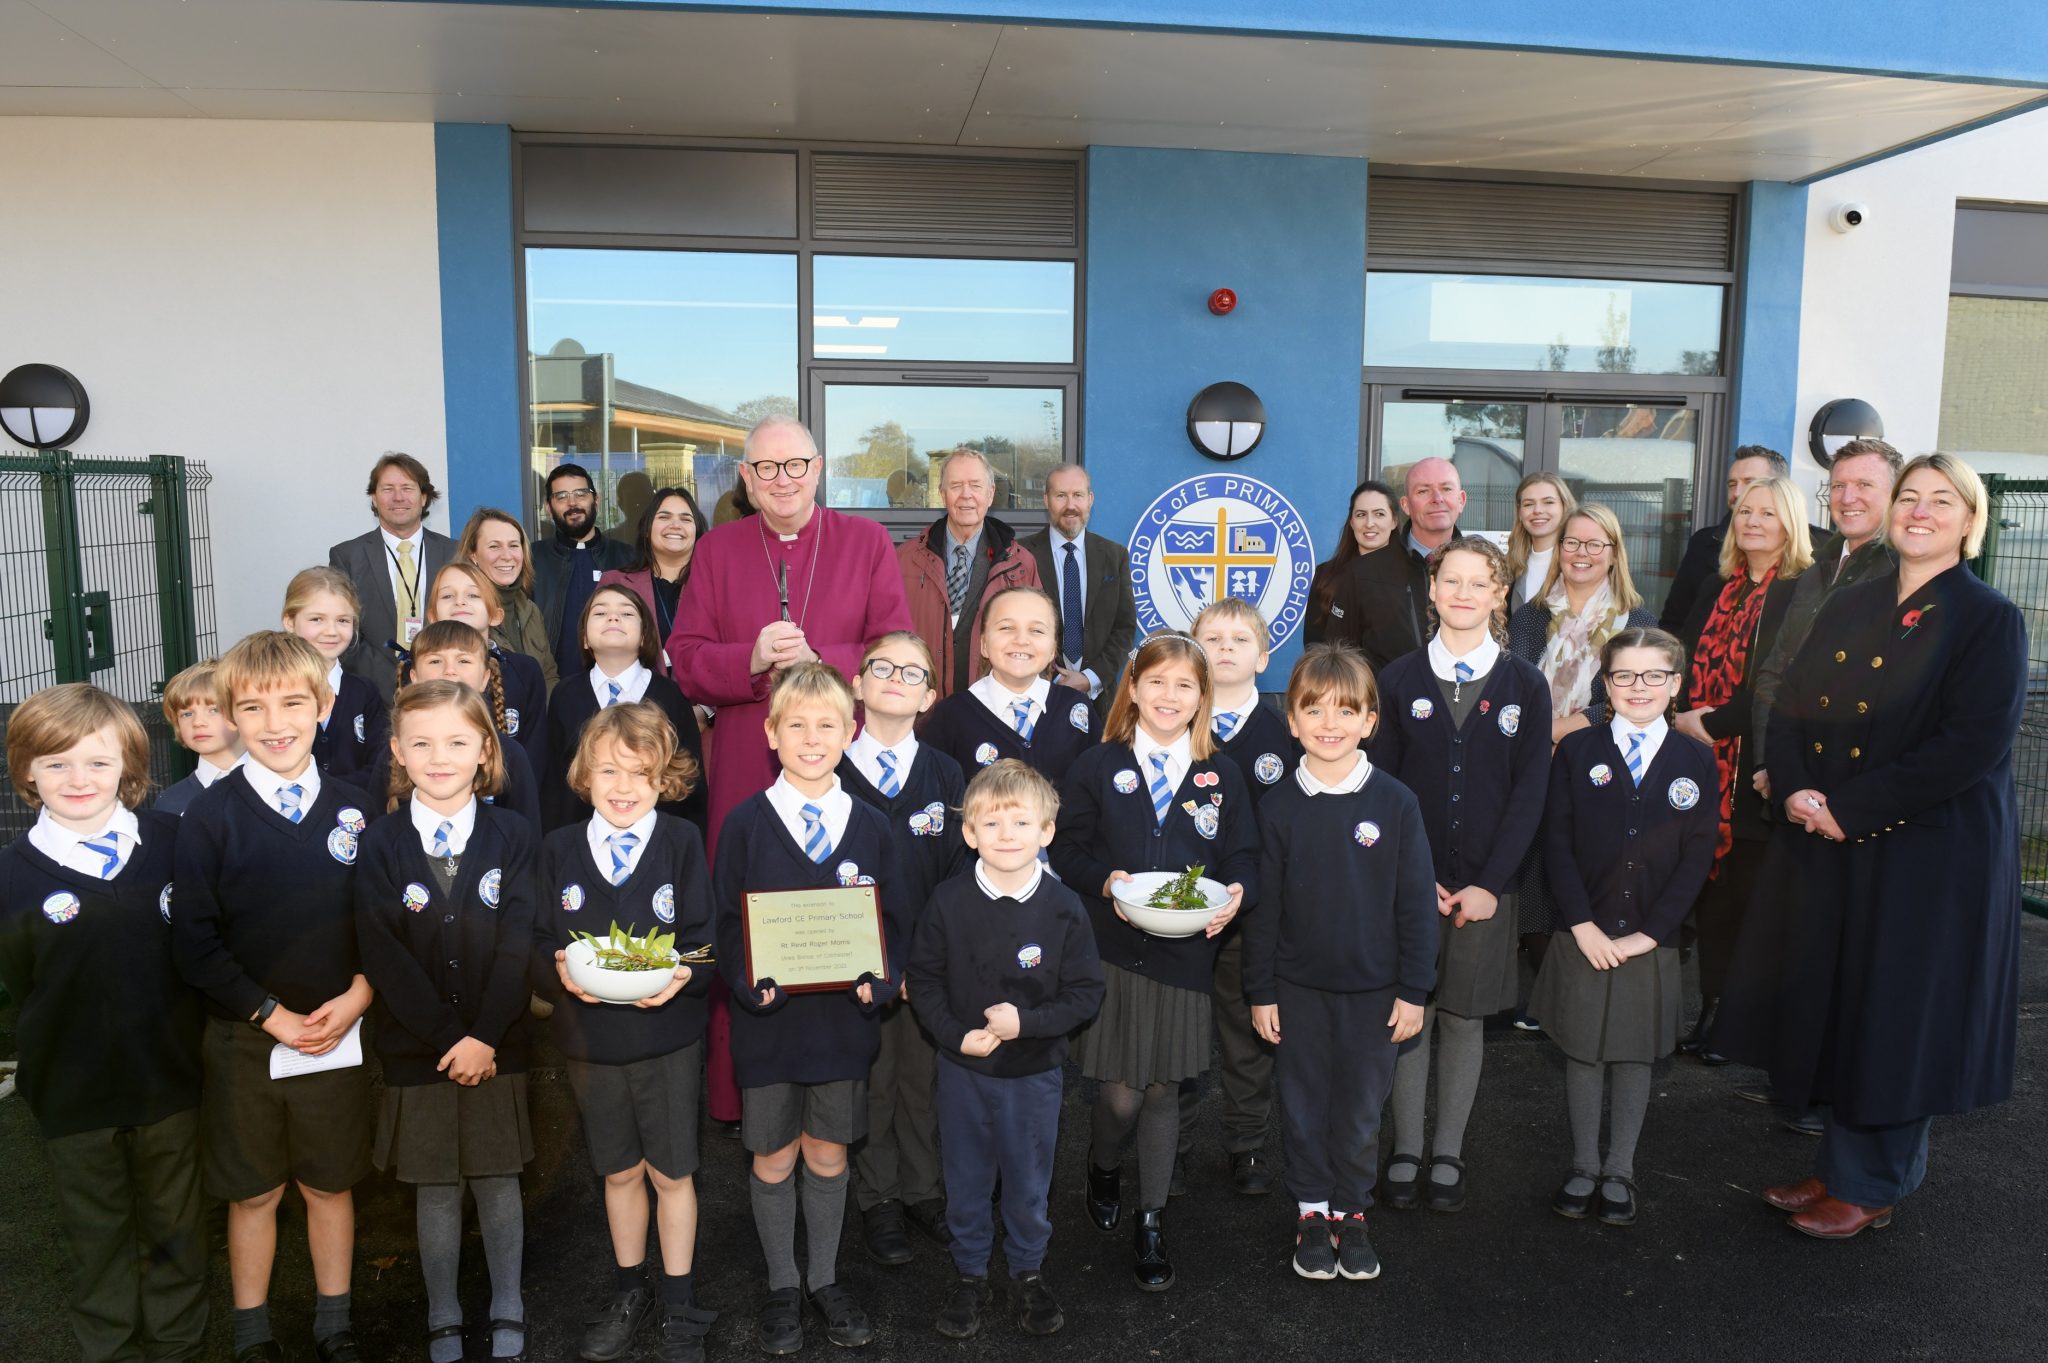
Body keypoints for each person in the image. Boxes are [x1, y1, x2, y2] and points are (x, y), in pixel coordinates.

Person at [1715, 455, 2025, 1240]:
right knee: (1838, 999)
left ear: (1969, 521)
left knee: (1896, 1011)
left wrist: (1847, 808)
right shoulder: (1851, 602)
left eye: (1941, 501)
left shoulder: (1988, 617)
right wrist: (1789, 786)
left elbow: (1971, 744)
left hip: (1924, 852)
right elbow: (1785, 704)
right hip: (1830, 836)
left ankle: (1874, 1182)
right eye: (1910, 498)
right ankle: (1838, 1166)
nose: (1920, 511)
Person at [170, 631, 375, 1363]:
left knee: (329, 1183)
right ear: (229, 715)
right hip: (245, 1039)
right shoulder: (207, 819)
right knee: (253, 1192)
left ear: (323, 705)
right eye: (252, 707)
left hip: (335, 1033)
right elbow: (193, 943)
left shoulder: (359, 809)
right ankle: (253, 1330)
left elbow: (383, 925)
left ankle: (334, 1321)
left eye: (293, 701)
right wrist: (270, 1014)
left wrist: (360, 992)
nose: (275, 721)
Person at [0, 684, 208, 1363]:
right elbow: (23, 985)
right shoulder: (11, 876)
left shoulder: (175, 843)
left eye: (97, 761)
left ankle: (178, 1344)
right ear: (26, 771)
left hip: (169, 1080)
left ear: (131, 766)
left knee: (176, 1228)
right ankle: (110, 1348)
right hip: (74, 1093)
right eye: (55, 763)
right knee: (97, 1235)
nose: (77, 779)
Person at [1051, 633, 1257, 1292]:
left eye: (1185, 686)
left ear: (1203, 698)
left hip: (1187, 950)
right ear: (1133, 688)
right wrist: (1107, 881)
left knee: (1164, 1087)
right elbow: (1066, 850)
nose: (1170, 696)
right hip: (1112, 951)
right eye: (1157, 682)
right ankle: (1104, 1162)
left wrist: (1236, 893)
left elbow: (1243, 856)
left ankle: (1151, 1216)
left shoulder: (1220, 773)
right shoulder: (1095, 764)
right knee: (1118, 1092)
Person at [713, 663, 909, 1354]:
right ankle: (781, 1284)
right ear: (771, 733)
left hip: (839, 1025)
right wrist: (745, 981)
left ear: (850, 730)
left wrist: (880, 983)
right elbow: (725, 923)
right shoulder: (744, 823)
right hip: (769, 1025)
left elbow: (893, 920)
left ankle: (824, 1278)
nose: (811, 736)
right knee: (772, 1156)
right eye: (794, 724)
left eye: (827, 724)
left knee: (828, 1154)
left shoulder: (872, 825)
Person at [354, 680, 536, 1363]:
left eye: (457, 741)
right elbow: (384, 954)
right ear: (398, 750)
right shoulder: (379, 845)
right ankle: (443, 1312)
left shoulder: (513, 836)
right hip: (418, 1049)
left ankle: (508, 1302)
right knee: (434, 1189)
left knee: (496, 1180)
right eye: (422, 743)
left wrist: (484, 1034)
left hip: (498, 1043)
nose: (439, 756)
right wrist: (447, 1038)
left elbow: (519, 940)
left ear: (485, 749)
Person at [1369, 539, 1551, 1213]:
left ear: (1499, 594)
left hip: (1486, 889)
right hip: (1409, 888)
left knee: (1466, 1016)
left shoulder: (1524, 685)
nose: (1466, 592)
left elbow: (1531, 793)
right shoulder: (1398, 680)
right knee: (1409, 1014)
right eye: (1453, 580)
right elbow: (1381, 789)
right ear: (1434, 591)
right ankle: (1408, 1145)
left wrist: (1491, 881)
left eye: (1481, 582)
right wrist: (1409, 876)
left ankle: (1448, 1147)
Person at [533, 703, 717, 1363]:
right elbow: (535, 942)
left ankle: (679, 1299)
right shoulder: (556, 849)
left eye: (639, 772)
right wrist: (556, 969)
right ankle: (627, 1287)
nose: (622, 784)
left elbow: (704, 943)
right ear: (585, 772)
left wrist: (678, 979)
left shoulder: (681, 844)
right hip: (592, 1041)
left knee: (672, 1172)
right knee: (617, 1171)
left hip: (667, 1038)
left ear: (663, 778)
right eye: (608, 768)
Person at [1245, 645, 1434, 1282]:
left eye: (1347, 711)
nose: (1330, 723)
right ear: (1291, 720)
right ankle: (1311, 1210)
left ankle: (1351, 1211)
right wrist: (1261, 990)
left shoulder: (1396, 803)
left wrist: (1414, 989)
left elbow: (1415, 906)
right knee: (1301, 1105)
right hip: (1296, 990)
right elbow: (1263, 911)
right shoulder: (1276, 806)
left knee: (1357, 1109)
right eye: (1313, 710)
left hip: (1376, 993)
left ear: (1371, 720)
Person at [910, 760, 1103, 1338]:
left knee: (1027, 1181)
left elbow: (1086, 993)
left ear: (1046, 831)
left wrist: (1030, 1023)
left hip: (1033, 1073)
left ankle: (1026, 1271)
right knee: (964, 1177)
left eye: (1021, 822)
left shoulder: (1065, 907)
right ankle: (970, 1273)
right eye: (991, 825)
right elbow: (923, 980)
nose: (1007, 835)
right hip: (963, 1072)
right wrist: (952, 1035)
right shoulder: (947, 902)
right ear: (969, 833)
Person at [1533, 629, 1717, 1227]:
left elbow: (1696, 857)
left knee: (1635, 1054)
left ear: (1675, 684)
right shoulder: (1578, 752)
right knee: (1584, 1049)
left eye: (1654, 676)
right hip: (1581, 930)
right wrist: (1582, 924)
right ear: (1605, 685)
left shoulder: (1695, 759)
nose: (1639, 688)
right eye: (1625, 676)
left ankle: (1620, 1169)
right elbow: (1556, 843)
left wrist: (1652, 933)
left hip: (1648, 937)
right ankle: (1584, 1164)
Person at [668, 415, 913, 854]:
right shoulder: (715, 550)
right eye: (766, 467)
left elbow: (896, 654)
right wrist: (751, 659)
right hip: (748, 755)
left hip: (844, 751)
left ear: (817, 469)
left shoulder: (868, 541)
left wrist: (817, 660)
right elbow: (685, 660)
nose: (782, 480)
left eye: (795, 465)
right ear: (746, 477)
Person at [1671, 476, 1812, 1062]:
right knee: (1714, 898)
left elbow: (1778, 685)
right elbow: (1680, 653)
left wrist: (1713, 725)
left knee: (1750, 897)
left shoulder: (1798, 592)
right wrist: (1682, 715)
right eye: (1745, 512)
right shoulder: (1715, 585)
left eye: (1768, 513)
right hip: (1701, 765)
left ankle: (1738, 1022)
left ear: (1790, 525)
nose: (1753, 522)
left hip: (1751, 764)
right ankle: (1708, 1010)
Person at [840, 633, 968, 1267]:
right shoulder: (826, 768)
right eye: (881, 667)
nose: (896, 677)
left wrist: (930, 962)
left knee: (921, 1081)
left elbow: (955, 877)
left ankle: (922, 1190)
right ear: (857, 685)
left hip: (922, 968)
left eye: (912, 671)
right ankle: (879, 1197)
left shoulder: (947, 775)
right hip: (851, 970)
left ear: (929, 695)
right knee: (871, 1082)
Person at [1506, 504, 1657, 1024]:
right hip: (1529, 764)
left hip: (1600, 762)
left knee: (1586, 869)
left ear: (1614, 554)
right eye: (1573, 542)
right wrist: (1537, 734)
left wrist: (1558, 731)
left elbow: (1632, 692)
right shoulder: (1529, 614)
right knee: (1532, 875)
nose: (1582, 553)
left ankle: (1582, 998)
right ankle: (1546, 997)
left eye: (1596, 544)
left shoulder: (1634, 619)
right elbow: (1516, 684)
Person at [1181, 597, 1296, 1195]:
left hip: (1252, 917)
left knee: (1247, 1032)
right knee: (1175, 1031)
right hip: (1174, 916)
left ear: (1264, 655)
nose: (1225, 649)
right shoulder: (1171, 722)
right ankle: (1169, 1144)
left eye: (1239, 640)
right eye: (1213, 638)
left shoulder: (1284, 736)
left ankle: (1246, 1143)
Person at [1748, 439, 1903, 792]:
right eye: (1838, 486)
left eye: (1864, 485)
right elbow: (1775, 671)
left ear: (1895, 494)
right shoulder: (1813, 570)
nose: (1848, 498)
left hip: (1852, 786)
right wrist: (1770, 762)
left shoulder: (1901, 576)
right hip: (1788, 774)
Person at [543, 585, 706, 833]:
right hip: (579, 845)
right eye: (599, 613)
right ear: (585, 638)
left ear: (644, 636)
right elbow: (554, 784)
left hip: (656, 845)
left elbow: (690, 783)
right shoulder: (564, 695)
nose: (613, 617)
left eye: (627, 613)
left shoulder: (671, 696)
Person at [367, 622, 543, 834]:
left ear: (485, 678)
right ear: (414, 678)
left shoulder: (510, 755)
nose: (449, 671)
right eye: (435, 660)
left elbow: (527, 838)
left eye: (464, 660)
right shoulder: (395, 754)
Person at [897, 449, 1042, 700]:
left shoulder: (1021, 564)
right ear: (942, 495)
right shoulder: (906, 559)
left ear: (991, 493)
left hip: (992, 710)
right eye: (956, 486)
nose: (966, 495)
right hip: (921, 708)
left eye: (975, 485)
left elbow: (1039, 641)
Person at [920, 586, 1100, 781]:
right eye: (1006, 628)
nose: (1022, 640)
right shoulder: (950, 715)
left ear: (1052, 650)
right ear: (984, 645)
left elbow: (1097, 787)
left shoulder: (1077, 708)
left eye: (1037, 630)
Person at [328, 451, 455, 701]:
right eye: (388, 489)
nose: (398, 497)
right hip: (373, 693)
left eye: (407, 488)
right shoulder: (347, 556)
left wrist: (434, 674)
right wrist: (394, 681)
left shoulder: (454, 552)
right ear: (374, 498)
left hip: (444, 687)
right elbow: (342, 628)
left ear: (424, 497)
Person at [1658, 446, 1822, 634]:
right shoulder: (1705, 552)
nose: (1738, 493)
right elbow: (1676, 623)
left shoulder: (1815, 566)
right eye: (1732, 484)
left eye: (1749, 482)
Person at [1320, 458, 1467, 669]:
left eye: (1446, 488)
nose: (1437, 498)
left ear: (1461, 500)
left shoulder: (1485, 570)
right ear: (1406, 505)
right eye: (1423, 491)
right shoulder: (1362, 574)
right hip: (1386, 701)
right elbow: (1338, 660)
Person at [1021, 464, 1138, 708]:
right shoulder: (1020, 555)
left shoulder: (1114, 556)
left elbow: (1124, 628)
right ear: (1046, 500)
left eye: (1078, 495)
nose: (1070, 505)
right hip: (1033, 696)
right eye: (1061, 496)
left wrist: (1090, 678)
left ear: (1090, 499)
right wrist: (1047, 677)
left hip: (1099, 703)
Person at [424, 560, 549, 779]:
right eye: (447, 596)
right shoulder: (418, 671)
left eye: (473, 595)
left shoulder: (525, 670)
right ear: (432, 616)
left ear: (495, 615)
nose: (460, 602)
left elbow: (536, 754)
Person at [534, 462, 634, 688]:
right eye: (561, 496)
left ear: (595, 500)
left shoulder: (627, 558)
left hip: (619, 688)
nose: (572, 503)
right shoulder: (532, 559)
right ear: (549, 507)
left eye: (580, 494)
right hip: (553, 690)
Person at [283, 567, 387, 785]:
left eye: (343, 621)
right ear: (290, 622)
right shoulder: (273, 691)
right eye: (317, 619)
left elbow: (379, 769)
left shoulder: (365, 693)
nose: (331, 631)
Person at [602, 485, 710, 678]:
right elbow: (601, 650)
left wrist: (705, 708)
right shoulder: (616, 583)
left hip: (702, 703)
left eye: (685, 519)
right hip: (637, 704)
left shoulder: (715, 586)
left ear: (698, 532)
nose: (675, 525)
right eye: (664, 517)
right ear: (646, 529)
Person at [457, 507, 559, 693]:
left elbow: (548, 676)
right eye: (494, 546)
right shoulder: (460, 611)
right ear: (473, 555)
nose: (507, 555)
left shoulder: (530, 610)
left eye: (513, 545)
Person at [1305, 481, 1399, 645]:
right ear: (1351, 522)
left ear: (1394, 521)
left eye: (1379, 514)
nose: (1369, 523)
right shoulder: (1326, 575)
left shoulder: (1411, 575)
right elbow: (1313, 647)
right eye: (1361, 514)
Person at [156, 658, 243, 815]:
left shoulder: (280, 783)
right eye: (187, 714)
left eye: (214, 710)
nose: (197, 722)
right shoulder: (170, 802)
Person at [1507, 471, 1577, 611]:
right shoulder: (1510, 565)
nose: (1538, 510)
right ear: (1519, 512)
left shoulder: (1578, 563)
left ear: (1565, 507)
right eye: (1528, 504)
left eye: (1548, 502)